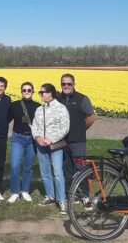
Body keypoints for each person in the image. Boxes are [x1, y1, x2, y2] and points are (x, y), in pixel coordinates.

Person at [32, 83, 70, 215]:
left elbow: (64, 128)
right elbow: (34, 125)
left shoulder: (61, 108)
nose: (40, 94)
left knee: (58, 173)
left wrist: (51, 139)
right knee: (45, 172)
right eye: (40, 92)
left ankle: (62, 200)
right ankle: (50, 195)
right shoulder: (39, 109)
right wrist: (37, 137)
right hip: (41, 145)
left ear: (50, 93)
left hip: (55, 145)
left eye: (42, 92)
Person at [56, 73, 95, 196]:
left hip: (78, 141)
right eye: (63, 84)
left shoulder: (82, 99)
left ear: (74, 84)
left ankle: (85, 195)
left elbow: (91, 117)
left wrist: (81, 129)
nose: (66, 86)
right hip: (62, 141)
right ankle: (69, 194)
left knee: (80, 168)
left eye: (69, 84)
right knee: (65, 168)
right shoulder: (57, 98)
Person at [7, 82, 41, 203]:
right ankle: (15, 191)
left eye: (29, 90)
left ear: (33, 91)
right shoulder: (14, 105)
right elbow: (6, 119)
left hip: (32, 139)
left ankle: (25, 191)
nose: (27, 92)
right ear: (21, 92)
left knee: (28, 166)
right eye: (24, 90)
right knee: (14, 165)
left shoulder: (38, 106)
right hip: (17, 138)